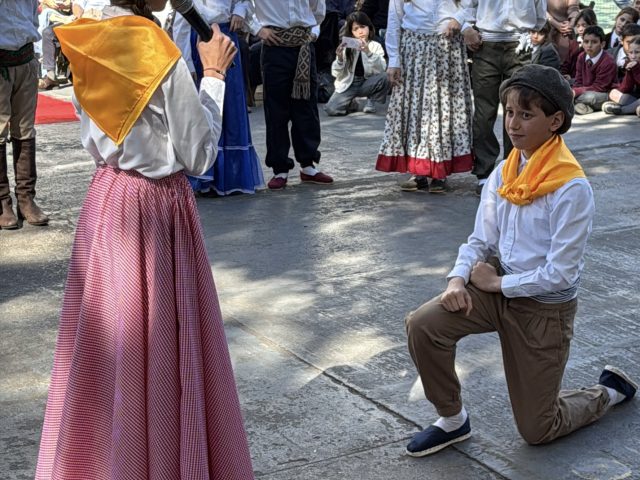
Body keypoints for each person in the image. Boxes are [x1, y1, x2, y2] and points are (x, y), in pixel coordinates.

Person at [34, 2, 254, 479]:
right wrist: (213, 75)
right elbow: (198, 155)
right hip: (155, 206)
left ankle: (104, 462)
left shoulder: (86, 37)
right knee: (153, 342)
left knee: (107, 345)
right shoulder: (155, 49)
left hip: (107, 197)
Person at [403, 64, 638, 458]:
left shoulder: (571, 188)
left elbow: (561, 274)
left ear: (555, 121)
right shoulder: (504, 172)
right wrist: (457, 280)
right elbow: (480, 241)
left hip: (543, 310)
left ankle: (609, 391)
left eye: (526, 115)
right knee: (423, 325)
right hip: (496, 289)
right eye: (509, 112)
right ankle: (452, 419)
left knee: (538, 429)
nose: (512, 124)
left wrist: (497, 284)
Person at [376, 0, 473, 194]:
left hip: (447, 47)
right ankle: (418, 171)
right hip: (414, 47)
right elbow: (394, 18)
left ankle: (439, 172)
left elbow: (472, 3)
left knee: (443, 110)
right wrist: (393, 60)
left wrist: (459, 18)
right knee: (416, 111)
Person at [172, 0, 264, 196]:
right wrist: (186, 62)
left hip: (227, 38)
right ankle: (206, 177)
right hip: (200, 39)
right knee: (206, 104)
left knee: (231, 106)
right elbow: (181, 21)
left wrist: (239, 12)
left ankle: (233, 177)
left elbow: (243, 2)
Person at [460, 0, 547, 196]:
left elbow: (540, 16)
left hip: (519, 45)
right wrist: (466, 28)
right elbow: (465, 6)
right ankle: (484, 173)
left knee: (519, 111)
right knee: (484, 112)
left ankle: (514, 168)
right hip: (485, 44)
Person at [250, 0, 334, 190]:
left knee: (306, 107)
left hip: (303, 46)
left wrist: (313, 30)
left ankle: (308, 164)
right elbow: (243, 5)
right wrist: (257, 28)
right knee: (276, 110)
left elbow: (318, 9)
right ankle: (280, 168)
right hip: (275, 45)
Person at [0, 0, 50, 230]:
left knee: (25, 129)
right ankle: (2, 201)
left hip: (25, 59)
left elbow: (32, 17)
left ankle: (26, 198)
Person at [324, 12, 388, 116]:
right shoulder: (347, 46)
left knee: (386, 77)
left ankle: (371, 101)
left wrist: (368, 52)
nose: (360, 31)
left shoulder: (375, 45)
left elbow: (381, 68)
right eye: (355, 29)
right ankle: (351, 103)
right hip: (349, 84)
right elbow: (335, 73)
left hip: (367, 82)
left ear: (369, 27)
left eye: (363, 27)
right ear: (351, 32)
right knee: (331, 109)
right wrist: (340, 59)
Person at [573, 25, 617, 114]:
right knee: (564, 86)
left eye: (594, 42)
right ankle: (585, 107)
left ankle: (574, 103)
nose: (589, 45)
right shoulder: (581, 57)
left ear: (602, 44)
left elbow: (600, 87)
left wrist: (575, 92)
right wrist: (574, 91)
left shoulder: (608, 61)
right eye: (586, 42)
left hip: (602, 93)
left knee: (589, 97)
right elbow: (578, 81)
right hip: (584, 91)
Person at [603, 36, 640, 116]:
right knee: (614, 93)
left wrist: (636, 68)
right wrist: (629, 71)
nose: (633, 56)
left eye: (637, 52)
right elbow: (625, 88)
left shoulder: (636, 66)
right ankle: (632, 108)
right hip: (637, 98)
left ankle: (621, 110)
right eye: (631, 53)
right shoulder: (632, 64)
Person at [561, 7, 597, 80]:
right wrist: (564, 75)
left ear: (592, 25)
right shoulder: (573, 43)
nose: (580, 29)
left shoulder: (596, 45)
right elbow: (566, 63)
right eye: (578, 26)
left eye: (584, 25)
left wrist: (573, 78)